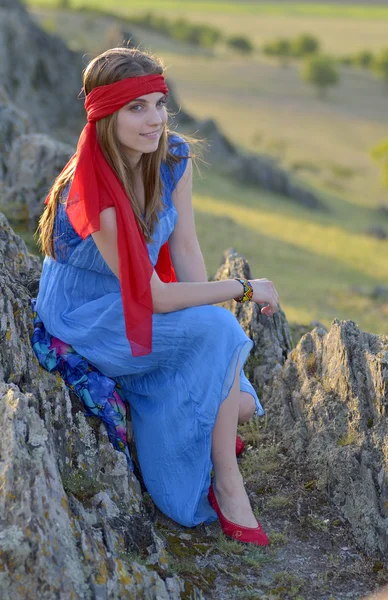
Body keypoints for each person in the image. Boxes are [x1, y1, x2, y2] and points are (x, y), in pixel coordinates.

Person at [33, 47, 279, 547]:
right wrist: (244, 289)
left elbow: (185, 246)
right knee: (221, 360)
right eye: (136, 108)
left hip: (143, 297)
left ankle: (186, 414)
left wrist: (209, 334)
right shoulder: (92, 192)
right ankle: (227, 484)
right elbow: (155, 298)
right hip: (87, 313)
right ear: (105, 115)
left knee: (238, 396)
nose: (154, 119)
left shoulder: (174, 157)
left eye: (158, 103)